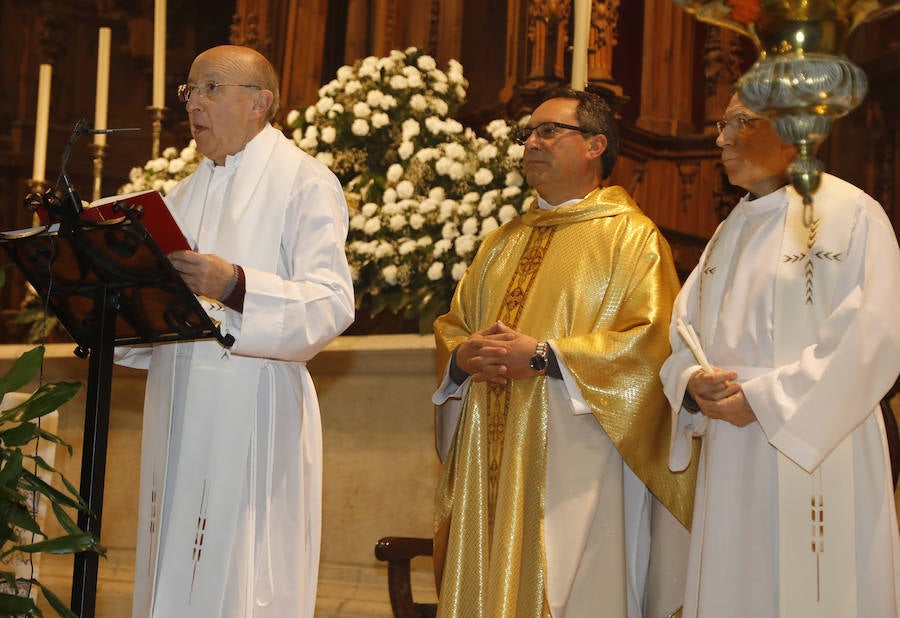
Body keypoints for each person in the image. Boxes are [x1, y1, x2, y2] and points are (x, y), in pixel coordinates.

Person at [431, 88, 696, 618]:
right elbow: (455, 327)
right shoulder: (500, 242)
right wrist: (462, 359)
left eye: (549, 130)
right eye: (527, 132)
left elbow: (650, 345)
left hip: (582, 462)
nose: (531, 142)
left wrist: (545, 357)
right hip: (491, 449)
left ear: (596, 145)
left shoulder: (632, 238)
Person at [116, 45, 354, 617]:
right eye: (189, 91)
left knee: (243, 575)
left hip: (255, 406)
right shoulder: (182, 193)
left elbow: (330, 302)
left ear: (259, 103)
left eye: (210, 89)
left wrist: (237, 286)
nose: (193, 104)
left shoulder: (305, 182)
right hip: (178, 405)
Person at [660, 93, 900, 618]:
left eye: (741, 124)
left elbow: (874, 336)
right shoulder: (728, 232)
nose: (721, 139)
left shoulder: (851, 214)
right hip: (730, 454)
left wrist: (765, 400)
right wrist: (693, 383)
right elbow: (682, 332)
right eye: (723, 124)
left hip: (818, 446)